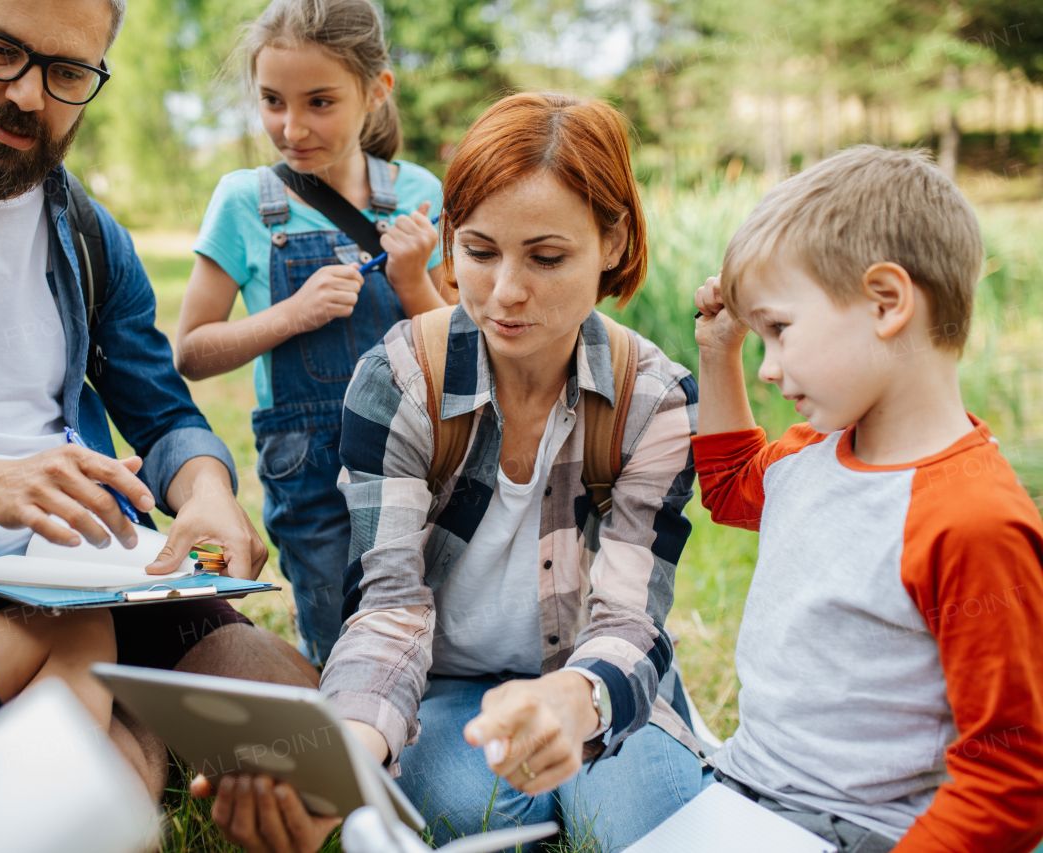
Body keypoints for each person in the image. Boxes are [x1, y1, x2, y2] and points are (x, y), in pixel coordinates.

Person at [197, 92, 709, 852]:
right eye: (477, 251)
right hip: (450, 693)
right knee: (453, 809)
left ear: (611, 241)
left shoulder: (654, 397)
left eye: (546, 256)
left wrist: (576, 700)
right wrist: (343, 759)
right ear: (448, 240)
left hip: (590, 678)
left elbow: (631, 618)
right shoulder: (398, 380)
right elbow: (388, 606)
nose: (505, 292)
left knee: (663, 827)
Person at [0, 0, 318, 794]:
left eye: (68, 72)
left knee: (295, 723)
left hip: (86, 574)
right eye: (1, 52)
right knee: (93, 789)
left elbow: (165, 411)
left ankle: (112, 733)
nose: (29, 97)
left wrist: (210, 491)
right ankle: (113, 746)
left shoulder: (88, 231)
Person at [691, 145, 1043, 852]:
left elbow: (1010, 774)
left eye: (779, 330)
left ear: (886, 301)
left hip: (860, 830)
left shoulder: (971, 520)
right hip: (744, 786)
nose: (768, 367)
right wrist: (716, 350)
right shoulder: (811, 450)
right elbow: (729, 490)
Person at [175, 0, 450, 666]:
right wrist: (289, 314)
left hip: (417, 452)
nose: (291, 127)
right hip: (307, 467)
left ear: (375, 91)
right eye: (272, 100)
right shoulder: (245, 200)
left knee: (426, 626)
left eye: (319, 102)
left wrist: (414, 280)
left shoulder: (419, 193)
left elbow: (464, 351)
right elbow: (191, 350)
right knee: (337, 635)